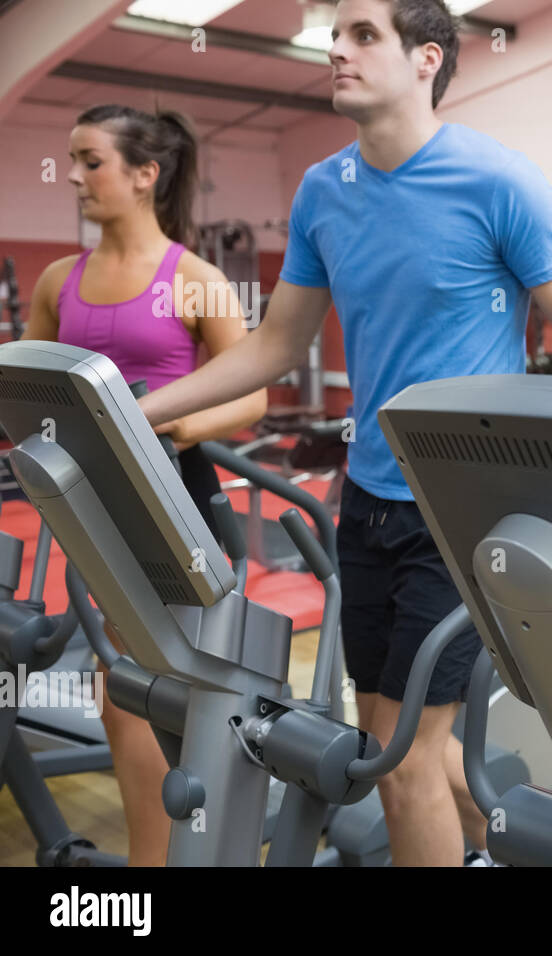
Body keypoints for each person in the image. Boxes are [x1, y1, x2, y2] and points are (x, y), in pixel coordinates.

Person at [137, 0, 552, 866]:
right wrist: (142, 410)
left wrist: (523, 471)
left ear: (427, 57)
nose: (339, 51)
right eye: (337, 36)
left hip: (461, 512)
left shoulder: (499, 180)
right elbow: (276, 346)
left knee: (401, 766)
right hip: (368, 507)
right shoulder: (325, 189)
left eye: (363, 35)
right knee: (399, 750)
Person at [23, 104, 268, 866]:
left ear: (144, 174)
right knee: (124, 691)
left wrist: (170, 426)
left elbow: (253, 395)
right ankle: (148, 866)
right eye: (70, 160)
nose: (72, 176)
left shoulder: (192, 280)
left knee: (179, 687)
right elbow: (29, 384)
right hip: (94, 505)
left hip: (172, 503)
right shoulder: (59, 280)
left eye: (89, 160)